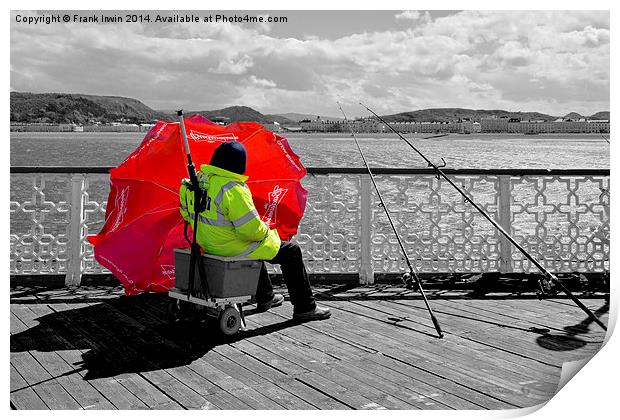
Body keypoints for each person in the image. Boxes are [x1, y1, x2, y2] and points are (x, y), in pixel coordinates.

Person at [179, 141, 331, 321]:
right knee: (290, 252)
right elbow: (251, 230)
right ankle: (305, 308)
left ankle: (266, 297)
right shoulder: (232, 188)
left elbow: (187, 215)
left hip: (208, 244)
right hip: (232, 247)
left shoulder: (193, 184)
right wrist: (267, 231)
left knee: (258, 246)